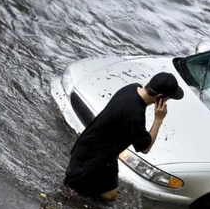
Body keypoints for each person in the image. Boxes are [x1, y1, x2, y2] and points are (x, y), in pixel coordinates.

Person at [63, 72, 184, 201]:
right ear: (160, 97)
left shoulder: (132, 88)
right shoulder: (135, 113)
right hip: (89, 160)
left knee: (110, 196)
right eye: (168, 98)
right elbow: (145, 148)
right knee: (69, 197)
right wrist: (158, 119)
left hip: (105, 155)